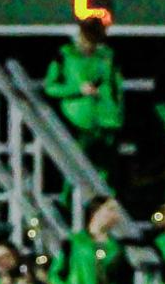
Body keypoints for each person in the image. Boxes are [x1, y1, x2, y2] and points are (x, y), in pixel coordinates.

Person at [42, 16, 123, 176]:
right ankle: (70, 200)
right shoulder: (65, 55)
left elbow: (117, 89)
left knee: (106, 171)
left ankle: (104, 199)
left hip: (107, 122)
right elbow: (51, 87)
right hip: (78, 122)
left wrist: (117, 115)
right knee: (77, 168)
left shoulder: (108, 56)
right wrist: (78, 89)